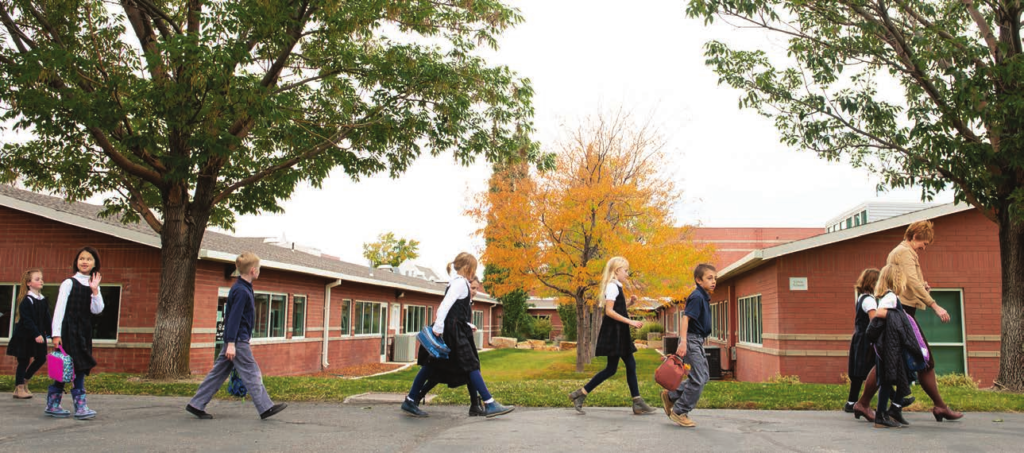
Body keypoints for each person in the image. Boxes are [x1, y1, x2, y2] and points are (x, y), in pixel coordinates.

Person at [852, 220, 964, 422]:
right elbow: (910, 282)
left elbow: (910, 281)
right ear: (914, 236)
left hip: (904, 311)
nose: (924, 247)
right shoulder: (903, 252)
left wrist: (922, 286)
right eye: (924, 242)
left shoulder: (906, 253)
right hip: (902, 314)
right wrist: (934, 305)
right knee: (924, 358)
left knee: (889, 360)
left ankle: (871, 404)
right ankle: (939, 406)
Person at [401, 252, 513, 418]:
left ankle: (411, 400)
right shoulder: (460, 283)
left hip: (453, 328)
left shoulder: (457, 283)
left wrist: (468, 324)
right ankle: (489, 403)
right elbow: (445, 306)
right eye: (473, 268)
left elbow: (455, 311)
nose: (474, 271)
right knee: (471, 364)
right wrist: (438, 328)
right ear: (468, 267)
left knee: (432, 366)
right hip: (452, 332)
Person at [186, 252, 287, 420]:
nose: (260, 271)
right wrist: (232, 343)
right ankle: (265, 407)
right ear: (253, 271)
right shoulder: (241, 291)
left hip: (234, 340)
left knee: (218, 373)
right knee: (252, 372)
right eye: (259, 269)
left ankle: (196, 404)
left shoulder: (242, 288)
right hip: (238, 341)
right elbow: (233, 318)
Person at [568, 257, 658, 416]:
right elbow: (609, 311)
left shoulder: (616, 287)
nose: (627, 273)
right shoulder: (612, 287)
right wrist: (631, 322)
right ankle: (636, 402)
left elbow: (617, 309)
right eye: (625, 270)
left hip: (618, 332)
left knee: (618, 367)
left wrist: (629, 303)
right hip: (615, 332)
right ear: (617, 271)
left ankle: (581, 394)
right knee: (622, 366)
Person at [411, 277, 485, 416]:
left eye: (476, 288)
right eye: (473, 288)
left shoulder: (466, 302)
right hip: (449, 337)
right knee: (464, 367)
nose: (474, 291)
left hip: (457, 336)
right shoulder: (458, 291)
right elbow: (446, 313)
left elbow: (457, 318)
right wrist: (438, 328)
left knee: (466, 368)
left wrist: (468, 325)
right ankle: (414, 398)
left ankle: (475, 404)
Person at [48, 247, 104, 419]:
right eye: (81, 258)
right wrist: (56, 334)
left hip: (84, 331)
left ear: (95, 263)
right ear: (76, 262)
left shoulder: (93, 284)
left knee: (78, 366)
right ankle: (77, 406)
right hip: (68, 330)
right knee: (71, 365)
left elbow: (97, 309)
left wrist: (95, 290)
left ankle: (55, 404)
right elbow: (59, 309)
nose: (84, 261)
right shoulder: (68, 283)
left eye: (89, 259)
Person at [866, 265, 924, 428]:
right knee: (887, 380)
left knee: (892, 379)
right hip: (890, 346)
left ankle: (891, 411)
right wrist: (900, 315)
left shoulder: (888, 296)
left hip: (888, 344)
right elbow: (879, 313)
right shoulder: (890, 297)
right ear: (898, 280)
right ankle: (882, 415)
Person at [660, 263, 716, 428]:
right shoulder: (697, 296)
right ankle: (679, 411)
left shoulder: (703, 296)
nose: (714, 281)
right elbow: (685, 318)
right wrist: (683, 341)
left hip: (697, 340)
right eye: (709, 278)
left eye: (715, 278)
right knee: (699, 379)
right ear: (699, 280)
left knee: (703, 376)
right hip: (691, 340)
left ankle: (670, 396)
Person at [6, 268, 51, 399]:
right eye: (37, 279)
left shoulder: (43, 300)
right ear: (29, 283)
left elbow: (47, 319)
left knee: (41, 358)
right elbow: (27, 320)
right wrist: (36, 334)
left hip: (38, 336)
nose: (41, 280)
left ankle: (25, 380)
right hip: (25, 337)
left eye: (41, 278)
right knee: (24, 361)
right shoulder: (26, 300)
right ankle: (19, 388)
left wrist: (52, 334)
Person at [844, 268, 879, 413]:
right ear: (872, 284)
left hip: (859, 336)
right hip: (867, 339)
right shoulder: (870, 301)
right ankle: (896, 398)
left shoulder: (862, 298)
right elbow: (874, 320)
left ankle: (851, 402)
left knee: (860, 371)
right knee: (877, 370)